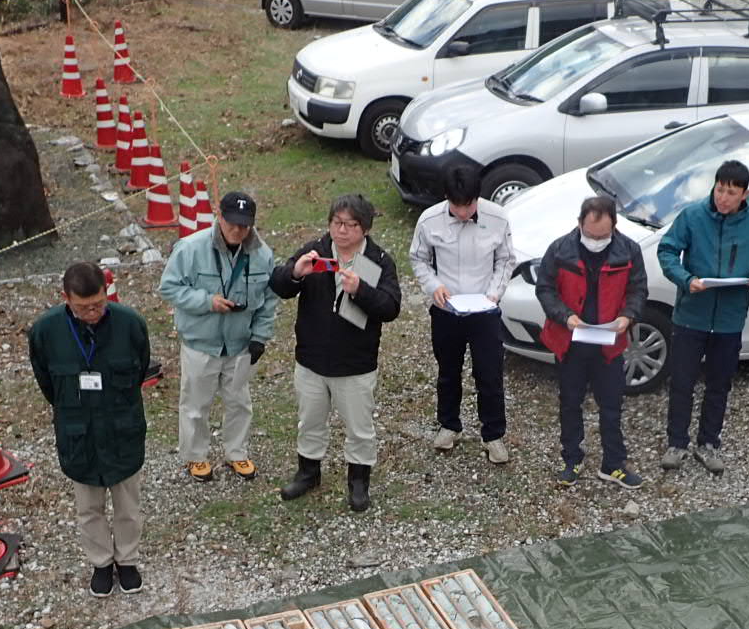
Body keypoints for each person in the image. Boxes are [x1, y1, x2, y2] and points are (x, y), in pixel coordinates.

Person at [655, 159, 749, 474]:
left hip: (730, 320)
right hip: (691, 315)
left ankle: (708, 443)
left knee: (719, 384)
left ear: (744, 194)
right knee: (682, 383)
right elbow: (667, 250)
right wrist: (684, 278)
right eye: (719, 189)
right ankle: (676, 443)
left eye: (731, 192)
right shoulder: (692, 215)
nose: (723, 198)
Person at [29, 261, 155, 598]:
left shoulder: (130, 324)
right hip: (78, 434)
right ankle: (101, 562)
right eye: (83, 307)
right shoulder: (45, 331)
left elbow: (141, 366)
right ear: (65, 298)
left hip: (122, 429)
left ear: (106, 293)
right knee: (88, 508)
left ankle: (127, 560)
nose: (92, 312)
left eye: (98, 304)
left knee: (128, 505)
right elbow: (47, 382)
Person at [271, 194, 403, 513]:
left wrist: (361, 291)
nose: (341, 231)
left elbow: (390, 308)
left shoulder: (379, 261)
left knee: (359, 427)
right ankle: (308, 473)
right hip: (312, 360)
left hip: (356, 365)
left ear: (365, 228)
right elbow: (279, 286)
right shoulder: (314, 251)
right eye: (336, 223)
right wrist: (296, 273)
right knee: (310, 420)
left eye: (350, 225)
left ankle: (358, 481)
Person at [159, 190, 279, 484]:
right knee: (195, 405)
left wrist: (260, 338)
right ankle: (195, 457)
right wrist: (207, 301)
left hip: (240, 344)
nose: (237, 230)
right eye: (231, 223)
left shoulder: (263, 255)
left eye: (244, 224)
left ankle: (236, 452)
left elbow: (269, 299)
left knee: (239, 402)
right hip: (201, 343)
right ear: (219, 216)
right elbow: (169, 288)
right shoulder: (190, 248)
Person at [534, 194, 648, 489]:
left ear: (614, 226)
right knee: (570, 402)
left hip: (609, 344)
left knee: (611, 404)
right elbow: (545, 289)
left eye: (603, 235)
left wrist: (627, 317)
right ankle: (571, 458)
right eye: (590, 234)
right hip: (570, 342)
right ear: (579, 224)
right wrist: (565, 316)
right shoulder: (560, 250)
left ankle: (613, 464)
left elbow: (638, 290)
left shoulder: (630, 251)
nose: (596, 240)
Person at [411, 163, 517, 465]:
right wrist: (434, 286)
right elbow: (418, 259)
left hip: (485, 311)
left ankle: (493, 435)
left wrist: (494, 293)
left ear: (477, 198)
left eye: (468, 206)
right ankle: (449, 425)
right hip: (447, 310)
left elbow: (506, 259)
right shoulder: (429, 220)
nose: (463, 213)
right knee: (448, 371)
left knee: (490, 374)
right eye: (457, 207)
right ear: (447, 198)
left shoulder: (497, 217)